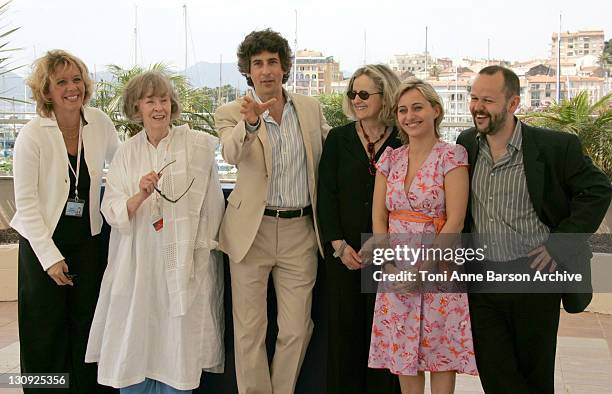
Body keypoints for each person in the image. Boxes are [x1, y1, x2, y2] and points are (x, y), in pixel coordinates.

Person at [457, 65, 612, 394]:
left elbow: (598, 190)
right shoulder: (466, 143)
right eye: (473, 98)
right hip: (482, 280)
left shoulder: (555, 147)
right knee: (495, 374)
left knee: (535, 375)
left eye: (487, 99)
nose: (477, 106)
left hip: (535, 277)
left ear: (513, 104)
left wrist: (560, 244)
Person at [85, 72, 225, 393]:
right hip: (138, 262)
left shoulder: (197, 147)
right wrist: (140, 194)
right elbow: (112, 208)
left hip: (183, 263)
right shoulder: (127, 153)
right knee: (138, 334)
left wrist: (199, 255)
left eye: (163, 100)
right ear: (138, 108)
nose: (158, 107)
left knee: (176, 341)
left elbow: (213, 207)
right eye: (150, 101)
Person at [214, 29, 329, 394]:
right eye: (257, 64)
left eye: (272, 63)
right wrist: (251, 123)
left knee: (296, 328)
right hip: (252, 231)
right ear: (248, 71)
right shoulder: (231, 112)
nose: (265, 71)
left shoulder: (309, 109)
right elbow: (231, 155)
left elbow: (330, 150)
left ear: (284, 68)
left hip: (301, 231)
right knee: (249, 329)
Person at [11, 49, 119, 393]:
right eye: (61, 82)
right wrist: (50, 257)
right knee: (44, 332)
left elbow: (123, 165)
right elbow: (26, 203)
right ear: (46, 91)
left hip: (88, 241)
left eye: (77, 79)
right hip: (43, 245)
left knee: (87, 326)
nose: (72, 87)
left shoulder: (100, 122)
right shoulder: (31, 134)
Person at [368, 78, 478, 394]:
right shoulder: (390, 157)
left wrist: (424, 270)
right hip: (397, 270)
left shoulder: (452, 155)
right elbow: (379, 217)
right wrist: (387, 263)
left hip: (438, 267)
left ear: (435, 111)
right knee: (404, 355)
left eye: (417, 107)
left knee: (440, 354)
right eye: (402, 110)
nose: (409, 116)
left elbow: (455, 220)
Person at [317, 64, 401, 394]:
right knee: (344, 342)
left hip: (391, 257)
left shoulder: (403, 138)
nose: (357, 100)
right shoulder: (338, 139)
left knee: (387, 341)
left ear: (386, 96)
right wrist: (338, 245)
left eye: (365, 94)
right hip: (346, 256)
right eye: (353, 93)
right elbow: (326, 194)